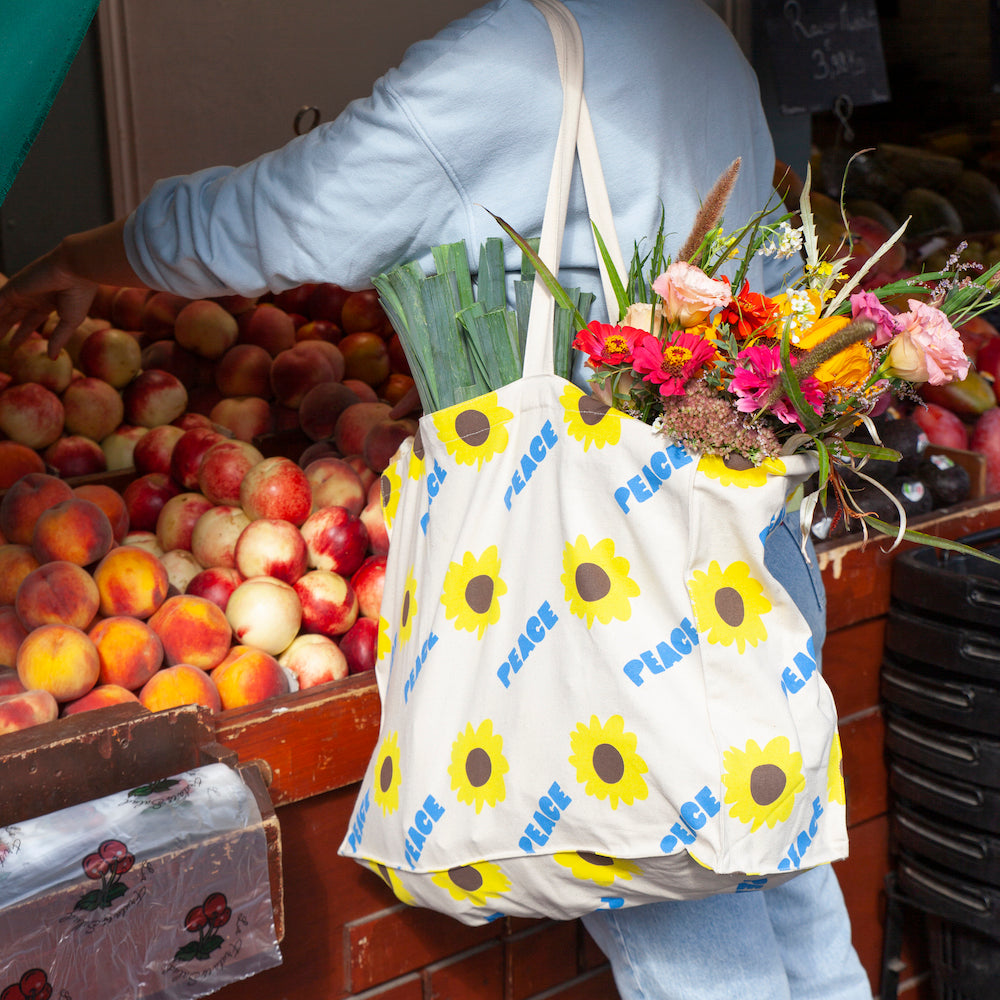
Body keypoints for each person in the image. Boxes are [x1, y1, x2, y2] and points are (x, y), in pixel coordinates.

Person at [0, 2, 872, 997]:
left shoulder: (509, 60)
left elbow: (284, 217)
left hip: (607, 574)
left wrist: (84, 254)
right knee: (792, 903)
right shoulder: (693, 31)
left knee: (702, 961)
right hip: (731, 528)